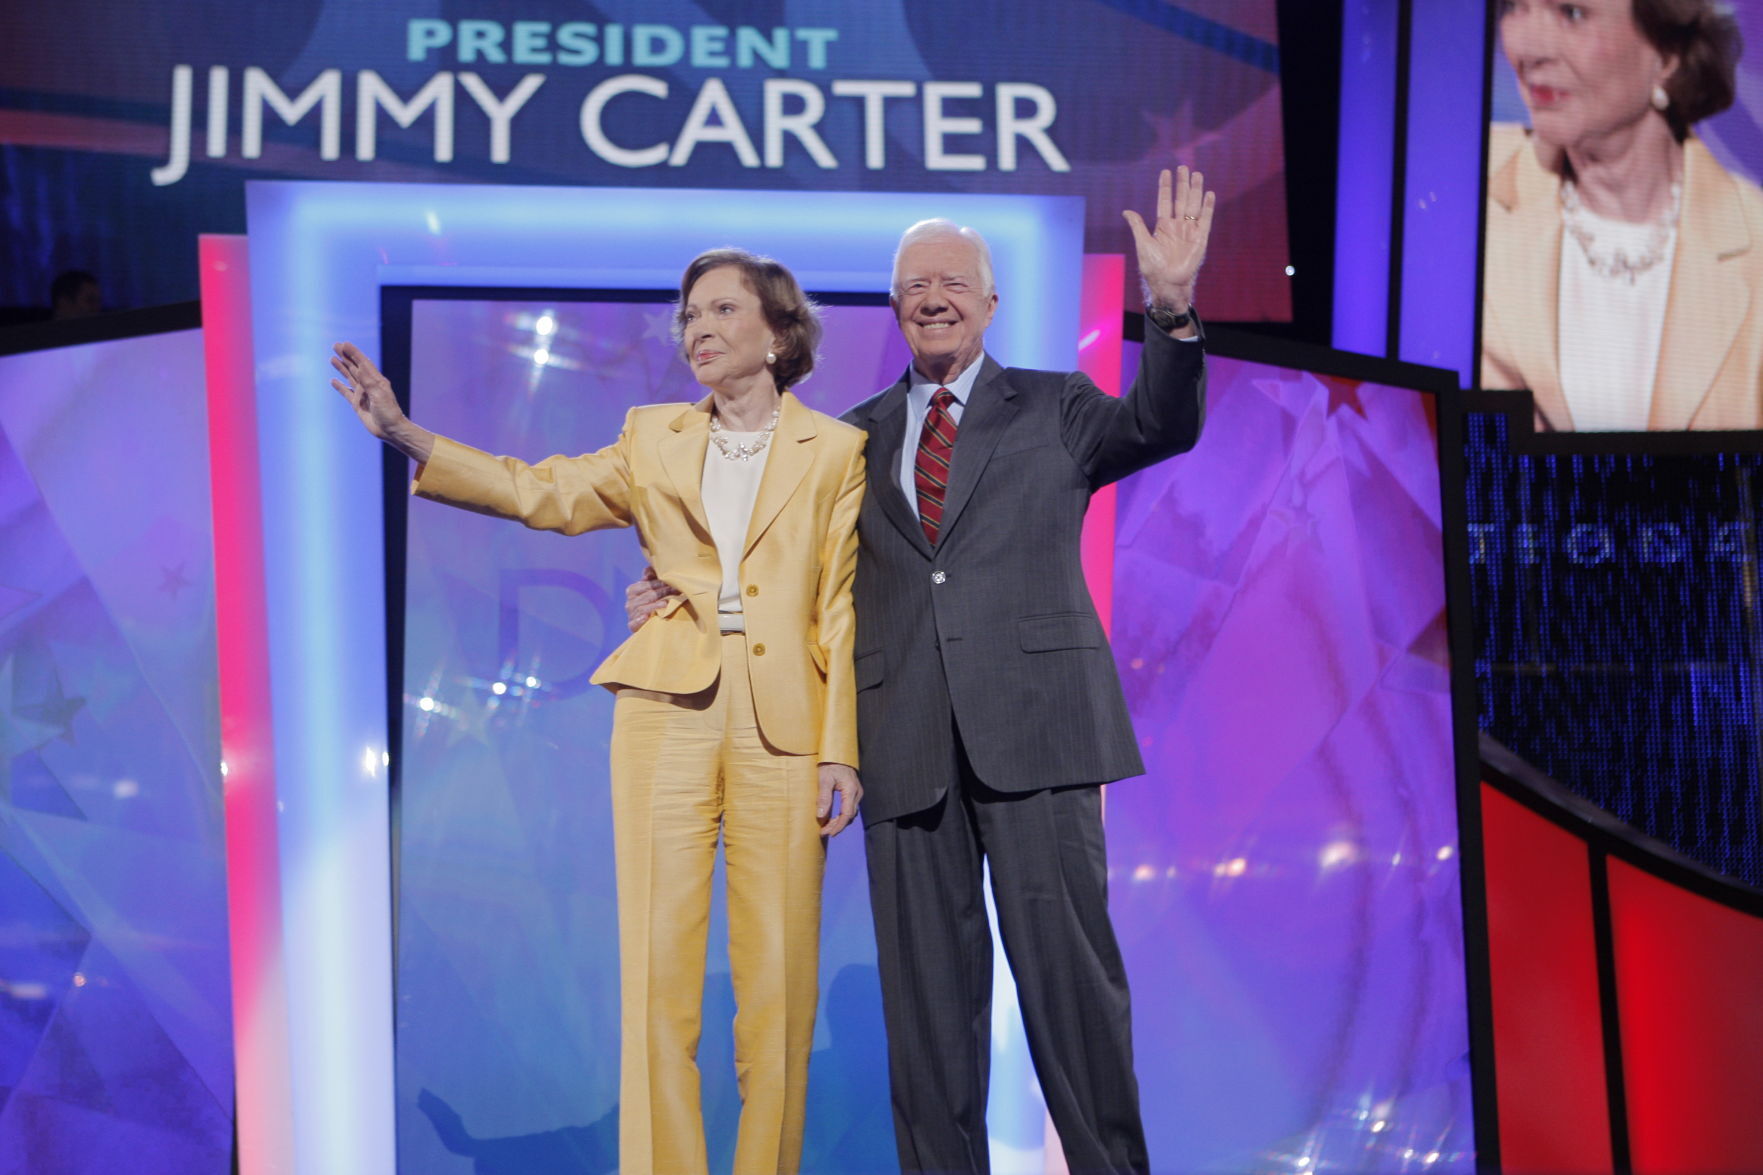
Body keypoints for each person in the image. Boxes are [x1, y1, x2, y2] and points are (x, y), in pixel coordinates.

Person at [630, 169, 1213, 1174]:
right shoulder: (844, 440)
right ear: (893, 308)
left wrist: (1169, 310)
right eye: (912, 286)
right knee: (927, 1022)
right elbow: (778, 567)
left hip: (1038, 734)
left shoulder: (1057, 405)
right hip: (900, 748)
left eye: (951, 281)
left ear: (991, 302)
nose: (931, 297)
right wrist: (682, 592)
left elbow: (1160, 424)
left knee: (1071, 994)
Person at [328, 248, 866, 1175]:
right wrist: (406, 434)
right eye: (688, 313)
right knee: (659, 974)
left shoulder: (838, 451)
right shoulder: (651, 434)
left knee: (779, 986)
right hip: (665, 707)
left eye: (722, 310)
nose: (696, 326)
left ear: (778, 335)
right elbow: (546, 489)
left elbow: (839, 607)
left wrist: (839, 749)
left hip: (785, 721)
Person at [1482, 0, 1763, 430]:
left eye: (1571, 13)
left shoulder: (1755, 247)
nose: (1527, 47)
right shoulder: (1461, 189)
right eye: (1514, 7)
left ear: (1667, 56)